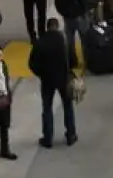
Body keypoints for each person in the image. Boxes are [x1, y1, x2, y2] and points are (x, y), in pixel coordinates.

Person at [28, 18, 77, 148]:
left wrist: (42, 74)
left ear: (47, 27)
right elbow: (72, 59)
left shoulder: (40, 42)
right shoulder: (64, 40)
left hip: (47, 80)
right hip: (63, 78)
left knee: (47, 108)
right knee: (67, 106)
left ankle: (48, 138)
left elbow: (32, 64)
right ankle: (71, 134)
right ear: (57, 26)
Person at [54, 0, 102, 69]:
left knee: (70, 40)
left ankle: (71, 61)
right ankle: (87, 61)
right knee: (84, 38)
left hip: (66, 14)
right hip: (79, 14)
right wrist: (89, 8)